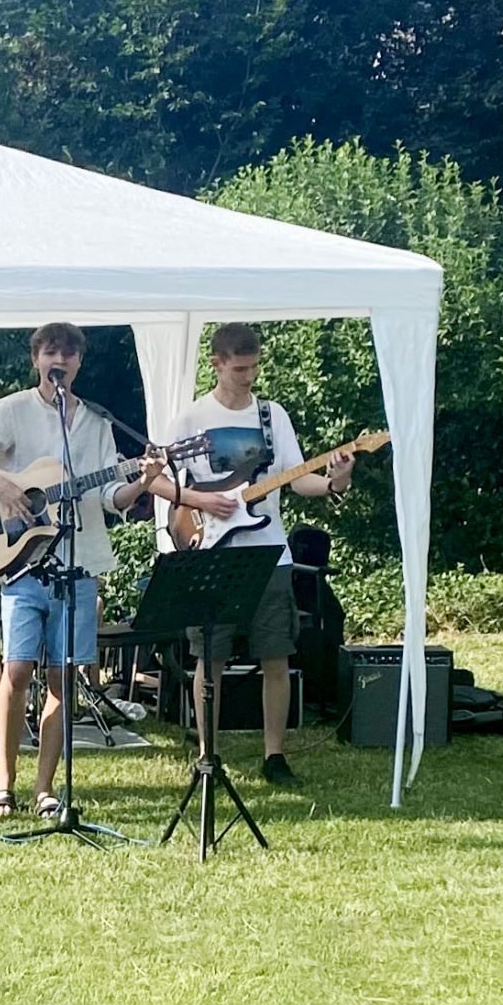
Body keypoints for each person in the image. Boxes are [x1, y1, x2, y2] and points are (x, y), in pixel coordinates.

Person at [0, 323, 151, 818]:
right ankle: (3, 781)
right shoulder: (13, 410)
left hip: (77, 562)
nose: (60, 359)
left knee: (61, 678)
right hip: (21, 561)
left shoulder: (97, 422)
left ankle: (45, 788)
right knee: (16, 669)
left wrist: (142, 483)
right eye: (51, 351)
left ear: (79, 362)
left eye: (69, 353)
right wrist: (4, 486)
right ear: (37, 358)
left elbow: (108, 496)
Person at [147, 322, 349, 788]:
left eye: (254, 367)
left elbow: (298, 479)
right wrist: (201, 502)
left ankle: (274, 755)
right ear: (217, 363)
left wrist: (336, 481)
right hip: (210, 552)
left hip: (268, 555)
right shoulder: (191, 419)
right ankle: (207, 755)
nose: (248, 377)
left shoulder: (272, 415)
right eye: (240, 368)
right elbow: (155, 481)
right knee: (209, 658)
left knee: (276, 654)